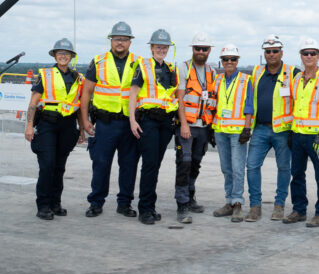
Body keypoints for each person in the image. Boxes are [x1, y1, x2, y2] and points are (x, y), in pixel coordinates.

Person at [79, 21, 141, 218]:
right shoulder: (98, 62)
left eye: (124, 39)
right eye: (116, 39)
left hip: (129, 123)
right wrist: (85, 120)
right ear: (111, 41)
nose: (120, 43)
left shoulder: (139, 63)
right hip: (105, 123)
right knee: (101, 163)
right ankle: (96, 202)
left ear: (130, 42)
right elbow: (86, 93)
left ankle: (124, 203)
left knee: (129, 165)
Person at [128, 29, 188, 225]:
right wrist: (132, 120)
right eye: (158, 46)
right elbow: (133, 94)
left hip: (165, 123)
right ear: (152, 48)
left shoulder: (171, 69)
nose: (161, 49)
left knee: (156, 165)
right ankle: (145, 209)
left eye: (164, 47)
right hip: (148, 121)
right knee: (150, 165)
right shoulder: (142, 66)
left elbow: (173, 97)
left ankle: (150, 207)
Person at [25, 38, 83, 220]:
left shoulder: (78, 78)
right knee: (47, 165)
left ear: (71, 56)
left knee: (59, 167)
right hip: (48, 125)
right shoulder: (46, 74)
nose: (63, 56)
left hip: (68, 126)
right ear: (55, 55)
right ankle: (43, 205)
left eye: (66, 53)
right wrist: (28, 125)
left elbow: (79, 106)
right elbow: (34, 102)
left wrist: (81, 129)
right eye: (60, 53)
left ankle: (55, 203)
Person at [284, 37, 319, 227]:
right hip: (298, 135)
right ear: (301, 56)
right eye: (305, 53)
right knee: (296, 174)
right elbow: (294, 106)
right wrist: (291, 131)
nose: (309, 56)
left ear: (318, 56)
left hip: (317, 138)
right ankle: (299, 210)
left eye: (312, 53)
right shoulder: (296, 79)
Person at [245, 35, 297, 222]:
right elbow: (250, 101)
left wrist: (294, 130)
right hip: (260, 128)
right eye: (268, 51)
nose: (272, 54)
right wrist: (246, 127)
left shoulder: (293, 72)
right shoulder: (257, 72)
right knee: (251, 166)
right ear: (264, 53)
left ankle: (279, 205)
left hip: (283, 131)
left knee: (284, 168)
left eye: (275, 51)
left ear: (281, 52)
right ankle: (255, 206)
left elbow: (299, 101)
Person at [174, 33, 218, 223]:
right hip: (187, 126)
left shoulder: (212, 72)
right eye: (197, 48)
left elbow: (213, 102)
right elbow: (180, 99)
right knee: (184, 162)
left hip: (203, 127)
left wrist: (212, 129)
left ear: (209, 51)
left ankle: (190, 197)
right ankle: (182, 204)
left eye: (204, 49)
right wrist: (183, 124)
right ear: (192, 49)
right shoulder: (183, 68)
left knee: (195, 163)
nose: (201, 52)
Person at [211, 44, 254, 223]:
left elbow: (249, 105)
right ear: (222, 61)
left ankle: (237, 203)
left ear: (237, 61)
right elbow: (212, 104)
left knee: (237, 169)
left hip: (238, 132)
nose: (229, 62)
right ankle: (229, 201)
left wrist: (246, 128)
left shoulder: (245, 80)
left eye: (233, 59)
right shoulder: (218, 80)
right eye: (226, 59)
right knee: (226, 168)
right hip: (220, 130)